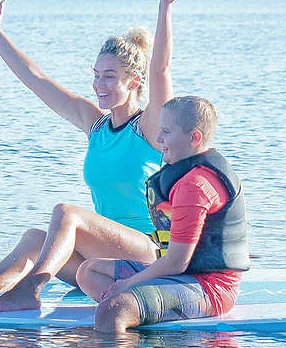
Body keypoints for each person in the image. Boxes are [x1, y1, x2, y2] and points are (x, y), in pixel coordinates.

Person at [0, 0, 203, 312]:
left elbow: (161, 69)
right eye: (96, 75)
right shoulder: (95, 124)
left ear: (134, 82)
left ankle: (31, 289)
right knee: (36, 239)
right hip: (104, 256)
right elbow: (37, 80)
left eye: (110, 76)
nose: (99, 84)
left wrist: (165, 6)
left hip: (146, 253)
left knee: (66, 214)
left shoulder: (151, 126)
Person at [76, 94, 250, 335]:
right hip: (180, 276)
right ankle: (145, 313)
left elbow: (177, 261)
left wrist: (127, 285)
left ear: (194, 138)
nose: (158, 139)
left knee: (113, 310)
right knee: (88, 271)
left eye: (166, 132)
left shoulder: (196, 185)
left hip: (209, 288)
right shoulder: (184, 174)